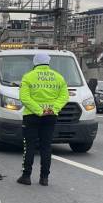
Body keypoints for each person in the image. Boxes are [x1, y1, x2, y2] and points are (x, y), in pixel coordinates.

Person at [17, 53, 69, 186]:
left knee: (29, 146)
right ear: (48, 62)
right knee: (46, 147)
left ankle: (26, 176)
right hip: (51, 116)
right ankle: (44, 178)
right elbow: (64, 97)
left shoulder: (28, 77)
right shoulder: (59, 77)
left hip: (31, 116)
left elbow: (24, 98)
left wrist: (39, 111)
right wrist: (53, 109)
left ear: (35, 63)